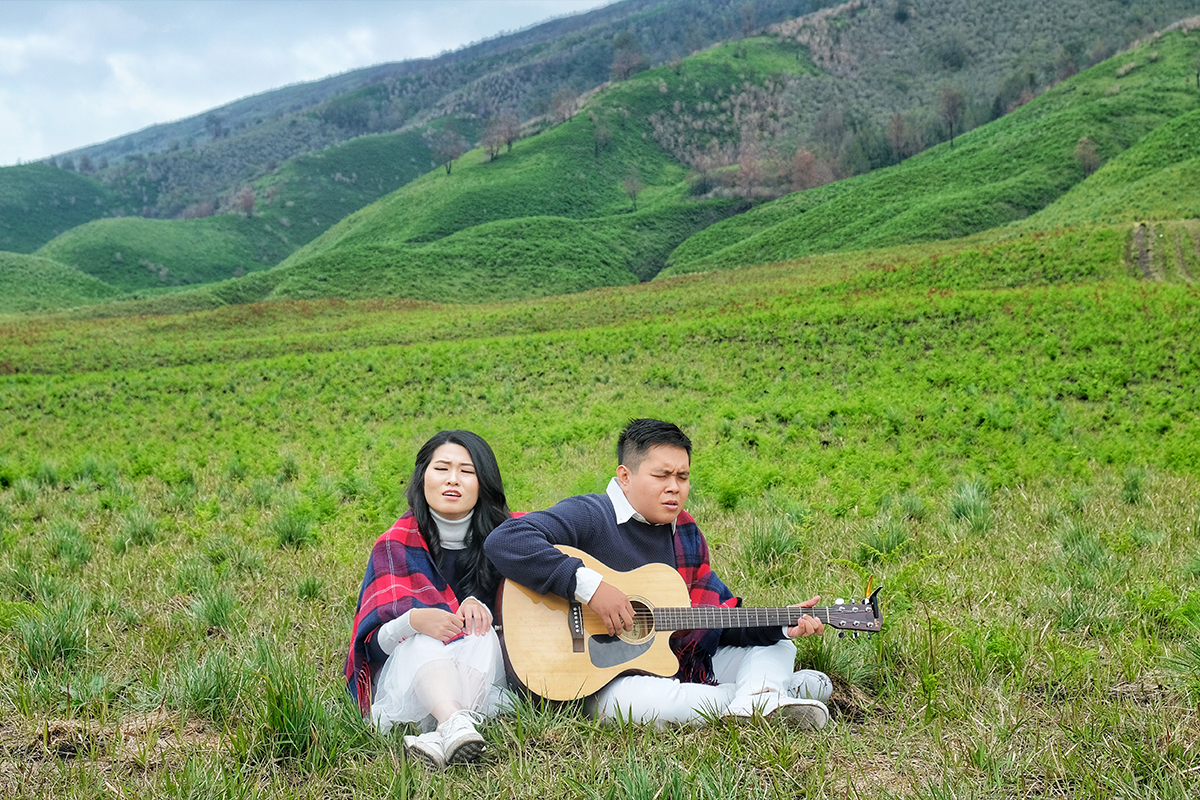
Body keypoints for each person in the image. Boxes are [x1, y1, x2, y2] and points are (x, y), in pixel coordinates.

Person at [485, 418, 832, 729]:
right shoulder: (591, 514)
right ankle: (765, 694)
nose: (674, 487)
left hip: (676, 662)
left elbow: (713, 618)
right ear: (625, 476)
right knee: (657, 701)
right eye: (661, 475)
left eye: (682, 476)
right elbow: (507, 539)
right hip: (601, 681)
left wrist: (783, 624)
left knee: (779, 646)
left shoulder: (686, 531)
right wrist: (589, 588)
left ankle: (758, 697)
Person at [345, 430, 515, 769]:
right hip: (410, 678)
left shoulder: (509, 538)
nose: (453, 480)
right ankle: (454, 721)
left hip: (478, 668)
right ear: (423, 476)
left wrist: (479, 610)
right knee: (421, 640)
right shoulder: (395, 546)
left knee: (481, 634)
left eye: (467, 471)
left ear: (484, 482)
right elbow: (372, 648)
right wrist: (410, 622)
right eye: (442, 469)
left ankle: (440, 733)